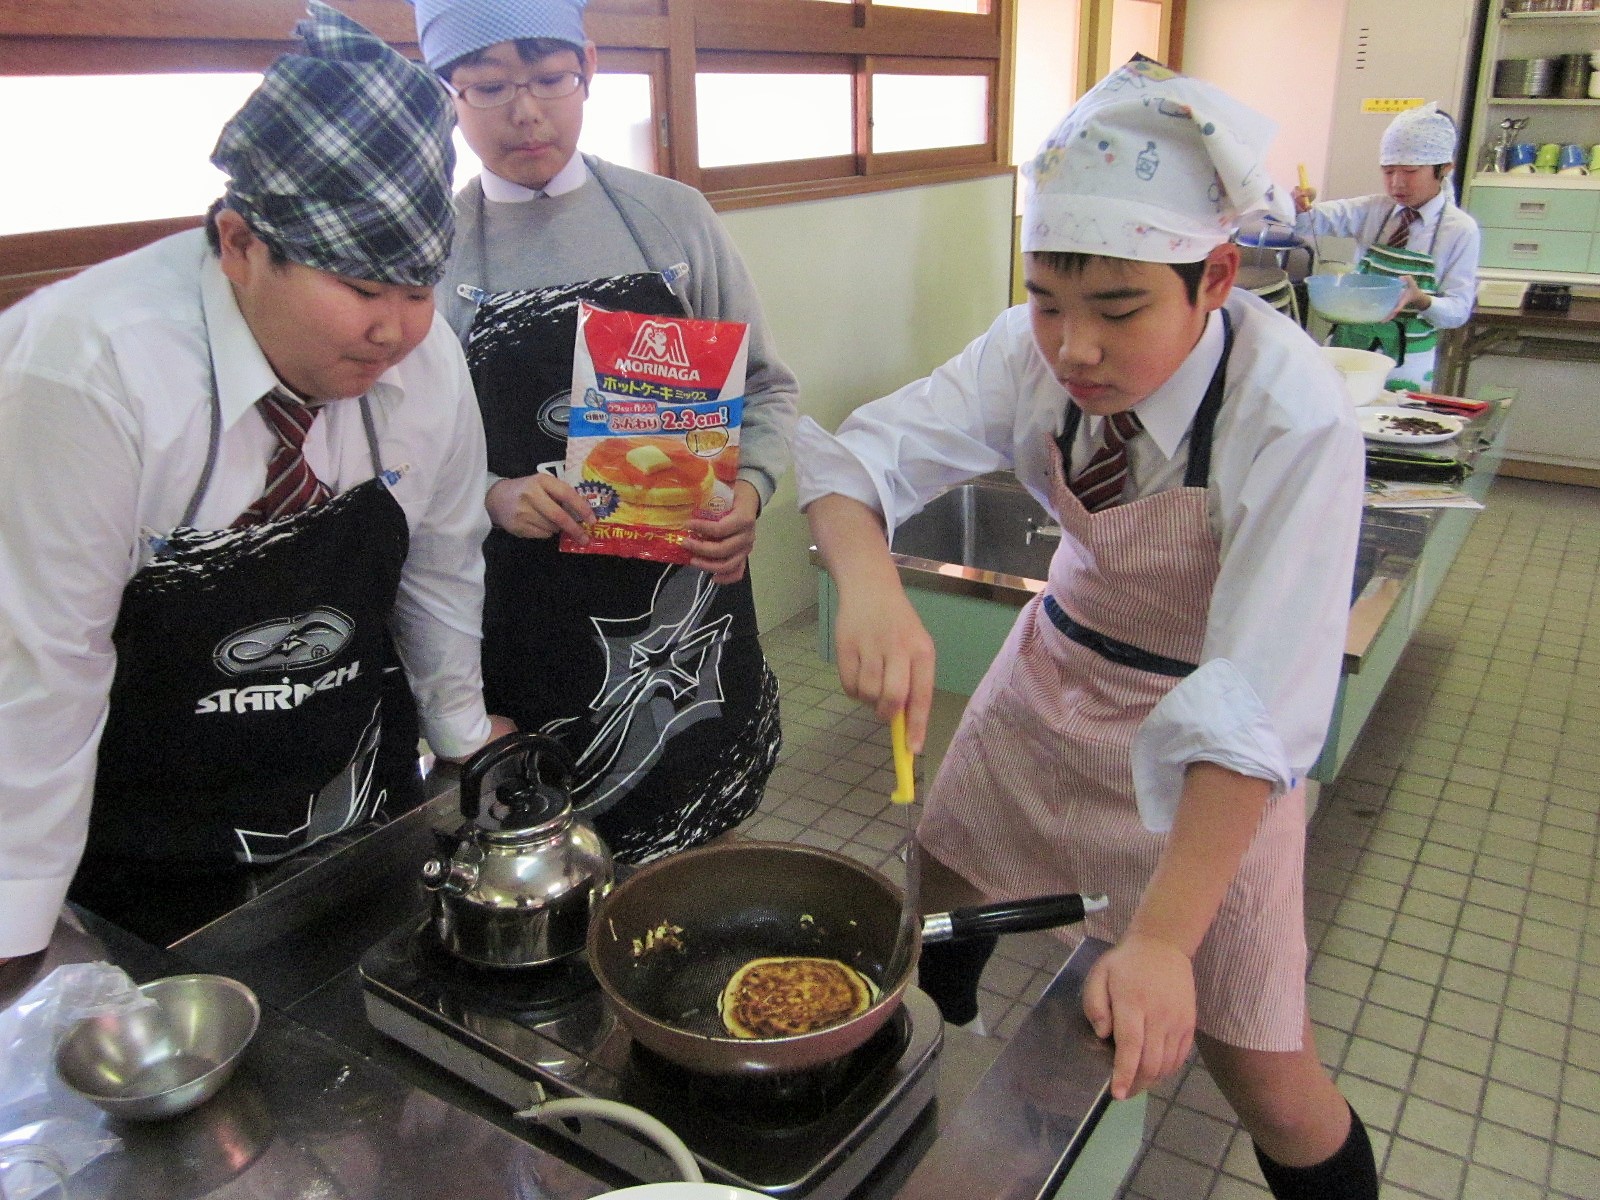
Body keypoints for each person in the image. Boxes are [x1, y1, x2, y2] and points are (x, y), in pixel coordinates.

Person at [798, 59, 1379, 1200]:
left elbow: (1256, 711)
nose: (1073, 349)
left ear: (1214, 276)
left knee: (1267, 1069)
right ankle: (937, 1090)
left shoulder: (1291, 414)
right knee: (940, 904)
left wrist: (1161, 939)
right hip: (1052, 683)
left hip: (1215, 756)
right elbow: (852, 458)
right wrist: (866, 579)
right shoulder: (1034, 352)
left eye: (1116, 309)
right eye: (1047, 299)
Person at [0, 3, 513, 964]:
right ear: (240, 244)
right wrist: (15, 929)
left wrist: (459, 734)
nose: (395, 329)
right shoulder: (85, 370)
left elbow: (442, 562)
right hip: (136, 833)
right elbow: (40, 665)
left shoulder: (425, 358)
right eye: (361, 289)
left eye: (417, 288)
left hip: (348, 795)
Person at [410, 0, 798, 863]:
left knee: (708, 857)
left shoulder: (672, 220)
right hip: (526, 628)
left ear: (587, 66)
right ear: (448, 93)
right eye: (489, 87)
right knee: (554, 866)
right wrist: (493, 495)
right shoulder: (430, 258)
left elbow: (767, 389)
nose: (527, 112)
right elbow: (398, 464)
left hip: (687, 608)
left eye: (551, 80)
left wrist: (751, 490)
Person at [1293, 101, 1481, 392]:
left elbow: (1458, 311)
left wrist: (1421, 299)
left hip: (1407, 364)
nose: (1396, 184)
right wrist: (1299, 207)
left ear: (1444, 169)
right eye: (1388, 170)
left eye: (1409, 171)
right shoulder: (1374, 210)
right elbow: (1309, 223)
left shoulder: (1459, 230)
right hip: (1350, 350)